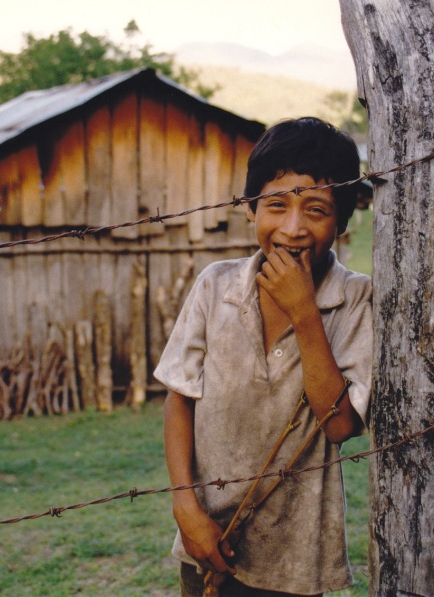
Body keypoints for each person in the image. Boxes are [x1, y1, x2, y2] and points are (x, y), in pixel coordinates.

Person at [155, 117, 373, 596]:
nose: (293, 228)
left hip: (296, 561)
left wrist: (305, 314)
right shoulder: (215, 287)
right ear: (251, 209)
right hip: (208, 543)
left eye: (316, 210)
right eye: (277, 205)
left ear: (341, 221)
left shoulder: (355, 300)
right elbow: (179, 399)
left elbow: (339, 426)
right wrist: (186, 511)